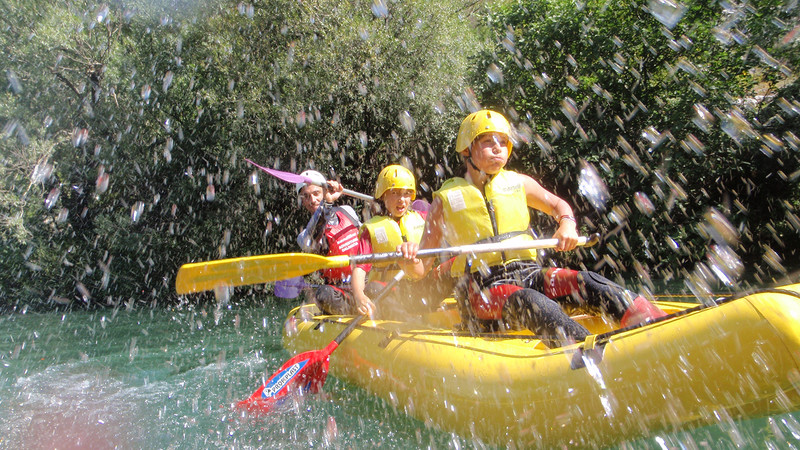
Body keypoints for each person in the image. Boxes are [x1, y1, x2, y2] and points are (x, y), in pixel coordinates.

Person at [398, 109, 665, 344]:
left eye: (503, 142)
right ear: (467, 149)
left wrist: (568, 225)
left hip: (528, 273)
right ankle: (588, 353)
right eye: (487, 142)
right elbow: (421, 267)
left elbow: (559, 206)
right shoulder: (445, 200)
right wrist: (409, 259)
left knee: (586, 282)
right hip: (482, 289)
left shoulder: (519, 183)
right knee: (532, 303)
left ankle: (657, 325)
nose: (497, 148)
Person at [350, 165, 453, 318]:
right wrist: (359, 296)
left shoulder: (423, 217)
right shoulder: (371, 229)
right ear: (383, 195)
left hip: (421, 289)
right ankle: (409, 319)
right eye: (395, 193)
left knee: (459, 267)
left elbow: (447, 237)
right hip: (392, 291)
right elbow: (360, 268)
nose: (402, 200)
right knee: (373, 289)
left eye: (406, 194)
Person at [295, 169, 362, 315]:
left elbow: (367, 239)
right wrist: (326, 203)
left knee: (377, 286)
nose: (312, 200)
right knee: (322, 294)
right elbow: (313, 237)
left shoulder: (347, 211)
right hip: (339, 293)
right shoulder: (304, 236)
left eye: (316, 193)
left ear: (325, 191)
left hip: (363, 283)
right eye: (306, 196)